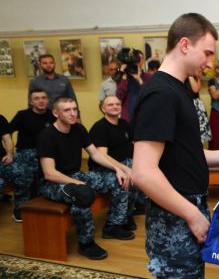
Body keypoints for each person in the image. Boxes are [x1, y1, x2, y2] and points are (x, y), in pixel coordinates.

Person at [131, 13, 219, 278]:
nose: (210, 63)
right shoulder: (161, 94)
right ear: (185, 45)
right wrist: (192, 215)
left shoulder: (178, 90)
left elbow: (184, 154)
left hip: (185, 210)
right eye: (208, 53)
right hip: (175, 217)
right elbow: (143, 173)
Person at [37, 97, 134, 260]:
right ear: (55, 113)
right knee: (83, 194)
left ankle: (113, 226)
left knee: (117, 180)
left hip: (76, 176)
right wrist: (77, 183)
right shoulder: (47, 135)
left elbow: (95, 154)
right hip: (53, 183)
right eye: (67, 110)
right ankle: (86, 243)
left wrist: (118, 169)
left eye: (75, 109)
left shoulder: (79, 129)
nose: (73, 113)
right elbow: (49, 173)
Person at [89, 95, 138, 230]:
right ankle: (113, 226)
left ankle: (127, 216)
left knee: (138, 179)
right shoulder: (100, 127)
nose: (115, 106)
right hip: (105, 167)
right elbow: (102, 156)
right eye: (110, 105)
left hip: (125, 163)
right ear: (103, 108)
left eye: (117, 104)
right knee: (122, 183)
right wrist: (124, 169)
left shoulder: (124, 124)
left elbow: (134, 145)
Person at [9, 89, 56, 221]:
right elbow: (7, 132)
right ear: (31, 101)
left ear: (47, 100)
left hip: (46, 152)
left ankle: (41, 207)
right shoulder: (23, 115)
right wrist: (9, 152)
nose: (41, 101)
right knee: (25, 178)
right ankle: (19, 208)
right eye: (37, 98)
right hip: (26, 152)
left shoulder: (52, 115)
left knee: (46, 180)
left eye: (43, 98)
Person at [0, 114, 27, 222]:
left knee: (23, 173)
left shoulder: (0, 119)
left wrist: (10, 154)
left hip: (1, 160)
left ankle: (19, 209)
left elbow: (8, 140)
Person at [116, 50, 150, 122]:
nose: (138, 61)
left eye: (140, 58)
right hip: (127, 117)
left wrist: (139, 79)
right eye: (136, 58)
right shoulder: (124, 76)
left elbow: (149, 94)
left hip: (143, 116)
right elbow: (119, 96)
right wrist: (124, 79)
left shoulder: (147, 77)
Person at [186, 69, 212, 145]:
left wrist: (195, 76)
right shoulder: (184, 76)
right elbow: (195, 89)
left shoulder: (194, 77)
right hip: (188, 104)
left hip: (197, 105)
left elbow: (197, 89)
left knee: (200, 138)